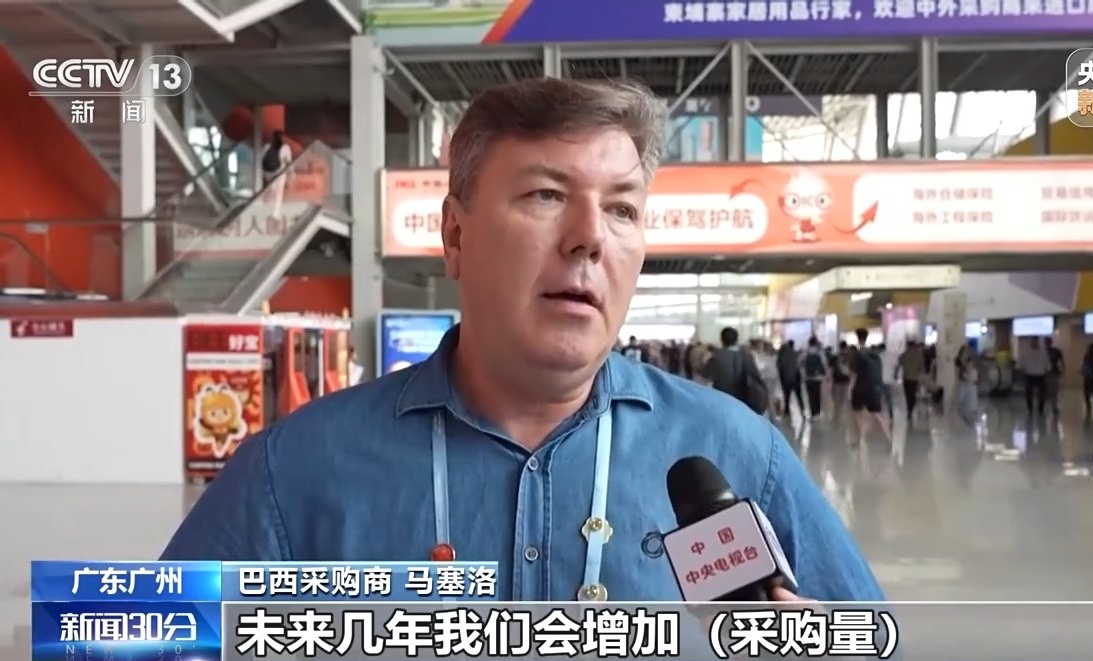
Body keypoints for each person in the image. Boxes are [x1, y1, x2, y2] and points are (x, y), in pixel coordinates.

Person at [159, 78, 884, 602]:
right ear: (455, 235)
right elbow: (150, 640)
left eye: (622, 209)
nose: (590, 237)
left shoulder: (739, 455)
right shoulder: (296, 472)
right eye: (546, 195)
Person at [705, 327, 769, 415]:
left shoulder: (716, 357)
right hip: (743, 399)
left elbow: (707, 375)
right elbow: (756, 376)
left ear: (722, 340)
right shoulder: (746, 355)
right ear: (737, 339)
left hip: (722, 399)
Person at [848, 328, 890, 446]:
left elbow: (854, 374)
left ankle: (859, 439)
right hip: (874, 387)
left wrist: (850, 388)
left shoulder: (857, 354)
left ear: (857, 338)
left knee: (857, 413)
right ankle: (888, 438)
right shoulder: (875, 354)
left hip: (860, 387)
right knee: (876, 413)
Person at [260, 130, 294, 220]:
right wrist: (291, 173)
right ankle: (275, 214)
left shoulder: (267, 146)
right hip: (279, 173)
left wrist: (263, 174)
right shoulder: (285, 147)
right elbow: (289, 162)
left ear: (273, 138)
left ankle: (266, 211)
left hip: (268, 173)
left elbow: (262, 160)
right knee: (278, 194)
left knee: (270, 191)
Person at [1020, 336, 1051, 419]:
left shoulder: (1043, 352)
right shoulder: (1025, 352)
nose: (1034, 343)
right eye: (1033, 341)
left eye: (1036, 342)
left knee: (1042, 393)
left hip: (1040, 375)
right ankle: (1030, 408)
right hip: (1029, 375)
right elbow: (1020, 364)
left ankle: (1040, 408)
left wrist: (1047, 371)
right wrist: (1023, 371)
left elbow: (1047, 365)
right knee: (1028, 393)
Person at [896, 339, 925, 422]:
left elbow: (898, 366)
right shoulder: (919, 355)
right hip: (915, 378)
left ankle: (909, 409)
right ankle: (910, 409)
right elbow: (922, 368)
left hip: (906, 378)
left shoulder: (903, 355)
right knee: (913, 395)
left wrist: (895, 374)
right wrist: (921, 376)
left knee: (908, 394)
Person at [776, 340, 806, 419]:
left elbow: (779, 369)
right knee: (799, 396)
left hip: (786, 380)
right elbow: (798, 366)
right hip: (796, 378)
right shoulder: (794, 354)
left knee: (787, 396)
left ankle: (787, 412)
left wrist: (781, 381)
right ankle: (803, 410)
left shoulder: (781, 357)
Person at [802, 337, 827, 419]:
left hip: (808, 377)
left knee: (810, 396)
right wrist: (825, 373)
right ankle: (817, 412)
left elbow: (799, 362)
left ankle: (812, 412)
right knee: (817, 395)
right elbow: (824, 363)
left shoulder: (806, 352)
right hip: (817, 377)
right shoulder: (819, 352)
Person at [1043, 337, 1064, 417]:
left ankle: (1054, 407)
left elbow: (1061, 361)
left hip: (1051, 373)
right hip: (1048, 373)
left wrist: (1062, 369)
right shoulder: (1044, 351)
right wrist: (1063, 369)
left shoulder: (1055, 351)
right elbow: (1062, 361)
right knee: (1052, 391)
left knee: (1053, 391)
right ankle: (1053, 407)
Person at [1080, 342, 1093, 419]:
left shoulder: (1086, 356)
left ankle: (1088, 406)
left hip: (1087, 376)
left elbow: (1084, 364)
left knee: (1086, 392)